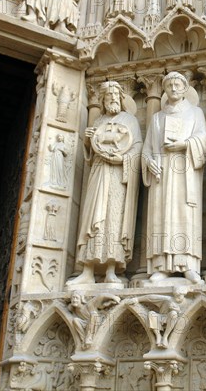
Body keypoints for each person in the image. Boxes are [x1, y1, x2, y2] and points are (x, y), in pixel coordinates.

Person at [68, 81, 142, 286]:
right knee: (93, 217)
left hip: (119, 175)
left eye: (116, 97)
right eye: (108, 98)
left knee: (113, 218)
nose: (112, 100)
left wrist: (122, 160)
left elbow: (137, 148)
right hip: (99, 173)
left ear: (121, 99)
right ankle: (87, 271)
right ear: (102, 101)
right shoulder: (98, 120)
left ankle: (111, 270)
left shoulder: (130, 121)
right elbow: (90, 156)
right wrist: (87, 142)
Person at [142, 72, 206, 284]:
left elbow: (202, 138)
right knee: (161, 215)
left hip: (185, 169)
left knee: (184, 213)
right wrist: (150, 161)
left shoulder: (195, 113)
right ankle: (161, 265)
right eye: (168, 84)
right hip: (162, 172)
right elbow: (147, 148)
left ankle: (187, 264)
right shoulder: (157, 118)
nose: (172, 87)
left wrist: (185, 144)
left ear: (184, 88)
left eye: (177, 84)